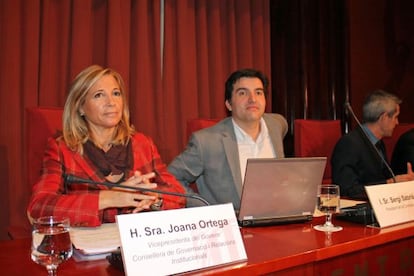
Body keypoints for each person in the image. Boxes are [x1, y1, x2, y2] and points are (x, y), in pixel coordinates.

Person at [27, 65, 185, 227]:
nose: (111, 103)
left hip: (138, 242)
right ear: (80, 107)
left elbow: (178, 195)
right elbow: (40, 206)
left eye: (116, 93)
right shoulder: (62, 149)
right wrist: (109, 198)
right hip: (90, 245)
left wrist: (153, 201)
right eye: (98, 95)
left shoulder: (142, 144)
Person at [168, 68, 288, 209]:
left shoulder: (277, 124)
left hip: (278, 216)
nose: (253, 99)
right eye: (243, 93)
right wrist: (205, 208)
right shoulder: (206, 142)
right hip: (234, 225)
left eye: (258, 92)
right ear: (229, 104)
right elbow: (169, 178)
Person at [331, 90, 414, 200]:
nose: (397, 123)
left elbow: (384, 180)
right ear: (384, 117)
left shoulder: (378, 143)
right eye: (395, 117)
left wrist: (403, 183)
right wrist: (389, 183)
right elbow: (346, 190)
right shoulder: (349, 144)